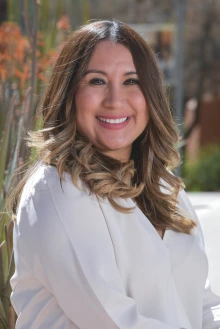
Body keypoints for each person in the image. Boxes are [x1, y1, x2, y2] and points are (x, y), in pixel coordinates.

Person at [9, 20, 220, 329]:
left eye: (131, 81)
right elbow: (115, 322)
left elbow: (199, 302)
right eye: (96, 81)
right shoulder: (55, 192)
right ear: (69, 94)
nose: (115, 99)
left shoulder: (161, 185)